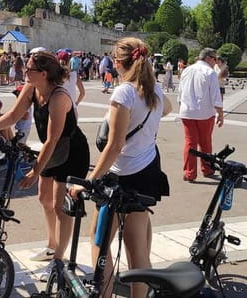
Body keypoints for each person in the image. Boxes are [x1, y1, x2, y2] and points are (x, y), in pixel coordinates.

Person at [69, 37, 172, 298]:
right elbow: (168, 109)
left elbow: (114, 145)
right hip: (147, 169)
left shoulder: (124, 92)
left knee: (99, 242)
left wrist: (89, 180)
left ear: (118, 62)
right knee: (138, 250)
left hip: (121, 174)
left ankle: (103, 295)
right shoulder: (154, 91)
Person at [0, 51, 90, 277]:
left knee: (61, 207)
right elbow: (13, 114)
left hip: (71, 152)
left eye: (28, 69)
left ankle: (59, 260)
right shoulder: (31, 87)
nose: (24, 71)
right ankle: (51, 245)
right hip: (52, 151)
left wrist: (34, 171)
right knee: (43, 198)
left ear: (43, 73)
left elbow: (52, 139)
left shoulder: (59, 97)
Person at [178, 48, 224, 182]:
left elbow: (180, 92)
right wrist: (220, 114)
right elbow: (216, 96)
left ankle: (189, 172)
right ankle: (207, 168)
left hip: (187, 111)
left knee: (190, 142)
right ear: (209, 58)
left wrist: (181, 105)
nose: (215, 62)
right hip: (204, 113)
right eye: (214, 59)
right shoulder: (210, 72)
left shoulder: (187, 70)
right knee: (205, 142)